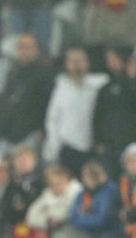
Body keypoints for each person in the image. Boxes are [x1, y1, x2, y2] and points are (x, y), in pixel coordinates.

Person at [43, 46, 108, 175]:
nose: (77, 65)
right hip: (69, 149)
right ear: (67, 64)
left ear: (87, 63)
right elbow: (52, 119)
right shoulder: (60, 88)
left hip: (93, 148)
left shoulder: (100, 85)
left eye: (80, 61)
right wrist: (55, 144)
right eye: (73, 61)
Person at [92, 46, 136, 180]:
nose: (110, 64)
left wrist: (133, 79)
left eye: (113, 59)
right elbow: (98, 115)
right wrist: (99, 141)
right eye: (108, 60)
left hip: (132, 145)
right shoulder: (106, 87)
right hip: (110, 147)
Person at [0, 33, 54, 149]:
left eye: (28, 47)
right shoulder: (13, 71)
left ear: (36, 50)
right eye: (21, 47)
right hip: (6, 134)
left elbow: (46, 105)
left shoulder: (45, 74)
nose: (24, 51)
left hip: (30, 135)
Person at [26, 164, 85, 238]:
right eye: (51, 184)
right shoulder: (47, 194)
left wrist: (48, 211)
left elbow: (66, 213)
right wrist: (47, 221)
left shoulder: (77, 192)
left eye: (59, 183)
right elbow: (31, 217)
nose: (56, 187)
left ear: (67, 179)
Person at [69, 159, 124, 238]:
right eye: (84, 176)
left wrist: (83, 216)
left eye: (89, 177)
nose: (85, 180)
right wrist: (89, 216)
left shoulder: (109, 192)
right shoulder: (82, 193)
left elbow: (102, 219)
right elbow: (73, 217)